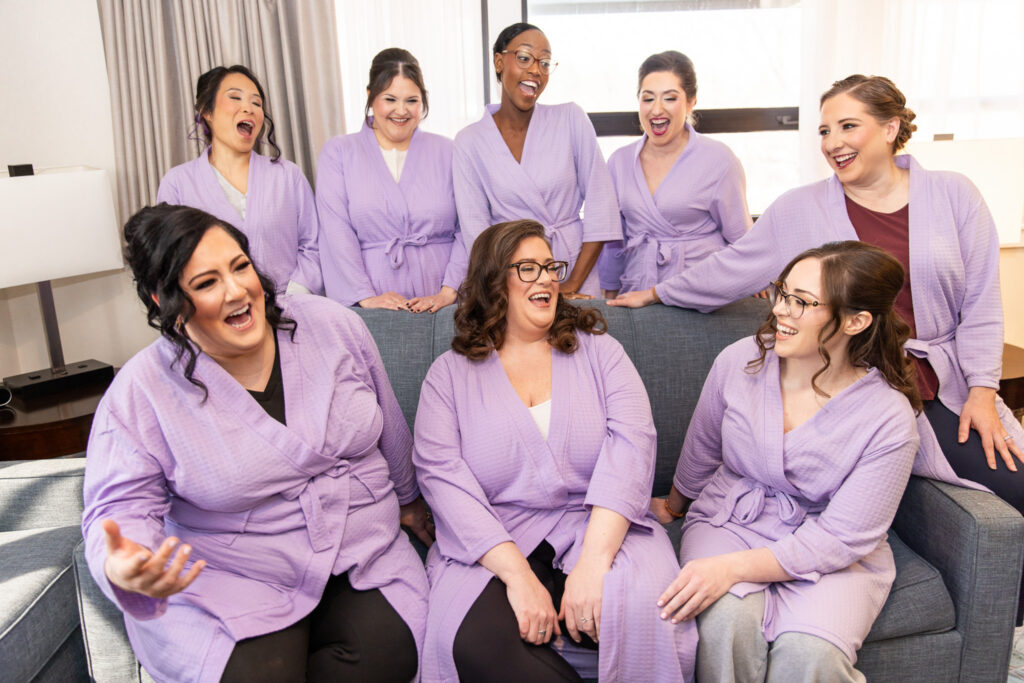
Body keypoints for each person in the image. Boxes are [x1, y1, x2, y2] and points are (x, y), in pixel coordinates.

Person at [609, 75, 1024, 541]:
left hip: (938, 382)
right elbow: (730, 267)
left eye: (848, 127)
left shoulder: (955, 195)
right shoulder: (800, 210)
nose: (833, 143)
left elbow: (982, 302)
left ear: (890, 128)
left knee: (1015, 481)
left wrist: (983, 393)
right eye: (825, 132)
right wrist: (657, 293)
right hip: (854, 386)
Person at [81, 204, 431, 681]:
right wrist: (127, 563)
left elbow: (389, 422)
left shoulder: (330, 324)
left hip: (361, 551)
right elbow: (119, 508)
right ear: (161, 301)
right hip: (232, 574)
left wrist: (409, 499)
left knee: (383, 660)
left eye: (240, 266)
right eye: (206, 283)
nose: (237, 291)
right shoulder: (142, 389)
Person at [654, 242, 956, 681]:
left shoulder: (888, 417)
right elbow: (702, 448)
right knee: (724, 623)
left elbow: (842, 536)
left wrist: (731, 569)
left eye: (803, 302)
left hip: (830, 545)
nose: (780, 310)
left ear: (856, 321)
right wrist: (674, 506)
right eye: (782, 292)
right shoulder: (740, 361)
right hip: (730, 520)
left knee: (810, 654)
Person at [412, 219, 695, 682]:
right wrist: (519, 578)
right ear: (492, 281)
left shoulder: (600, 353)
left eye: (550, 266)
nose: (546, 278)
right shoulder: (449, 376)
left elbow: (633, 448)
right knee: (468, 640)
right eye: (528, 268)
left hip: (599, 526)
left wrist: (592, 566)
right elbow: (442, 481)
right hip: (494, 539)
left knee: (644, 612)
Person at [452, 23, 621, 299]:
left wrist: (570, 284)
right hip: (512, 282)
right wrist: (513, 291)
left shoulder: (571, 119)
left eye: (544, 62)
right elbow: (477, 234)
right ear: (498, 61)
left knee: (582, 342)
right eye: (524, 58)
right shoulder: (469, 142)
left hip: (572, 270)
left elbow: (601, 205)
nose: (536, 70)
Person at [317, 48, 463, 312]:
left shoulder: (449, 151)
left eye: (411, 100)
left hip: (442, 300)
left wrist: (448, 292)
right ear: (370, 97)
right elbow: (335, 231)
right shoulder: (339, 152)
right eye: (390, 99)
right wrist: (365, 296)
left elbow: (468, 225)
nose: (401, 111)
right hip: (374, 298)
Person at [157, 65, 322, 296]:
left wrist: (293, 298)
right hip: (217, 315)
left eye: (256, 103)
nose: (249, 108)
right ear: (207, 110)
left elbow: (313, 245)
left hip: (291, 310)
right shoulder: (177, 184)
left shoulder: (287, 175)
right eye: (235, 98)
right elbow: (171, 260)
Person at [598, 51, 751, 298]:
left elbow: (741, 240)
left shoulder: (720, 160)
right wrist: (609, 293)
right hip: (637, 289)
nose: (656, 109)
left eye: (670, 98)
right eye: (647, 99)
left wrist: (754, 282)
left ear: (691, 102)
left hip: (700, 292)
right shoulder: (619, 162)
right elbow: (614, 239)